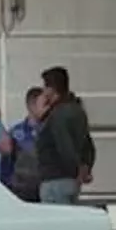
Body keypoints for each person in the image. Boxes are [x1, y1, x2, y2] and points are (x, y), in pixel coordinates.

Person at [37, 66, 95, 205]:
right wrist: (85, 167)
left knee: (54, 224)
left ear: (52, 89)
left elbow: (64, 146)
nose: (44, 92)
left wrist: (76, 170)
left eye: (45, 87)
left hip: (55, 179)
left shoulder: (57, 115)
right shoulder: (77, 110)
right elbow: (88, 145)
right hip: (71, 181)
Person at [0, 87, 45, 201]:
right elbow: (6, 163)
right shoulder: (16, 133)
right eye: (44, 104)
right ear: (31, 105)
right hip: (21, 189)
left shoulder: (49, 130)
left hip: (44, 187)